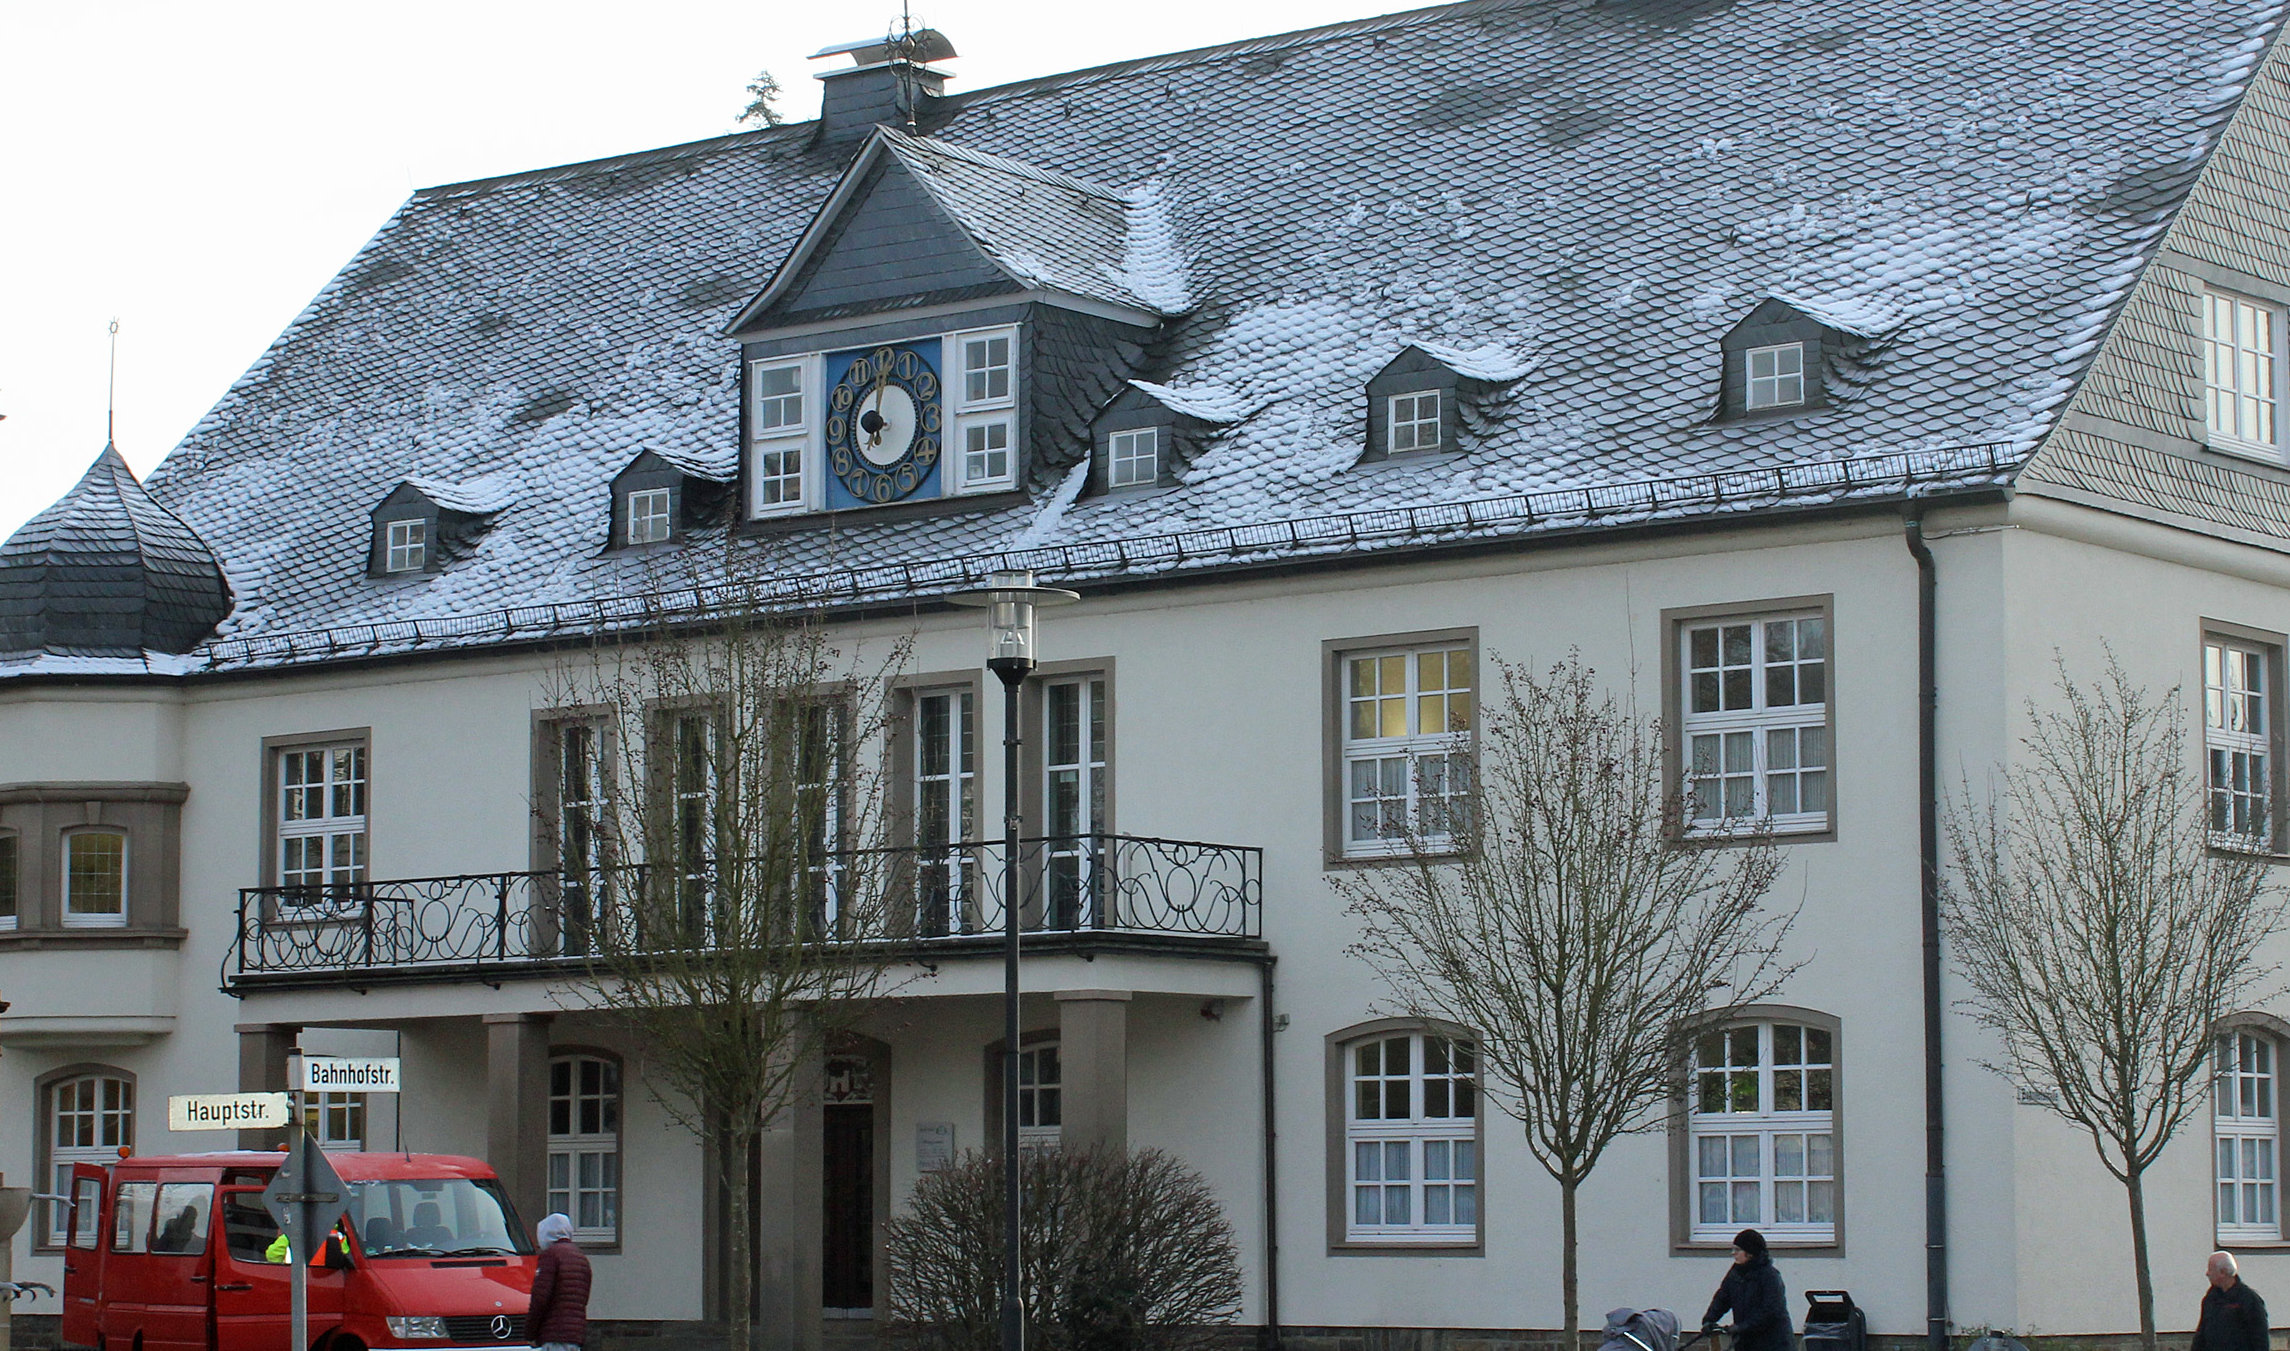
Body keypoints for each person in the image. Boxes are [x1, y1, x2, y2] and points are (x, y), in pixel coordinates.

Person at [1702, 1228, 1792, 1351]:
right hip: (1745, 1341)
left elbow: (1771, 1311)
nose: (1733, 1253)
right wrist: (1709, 1320)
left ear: (1750, 1253)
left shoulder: (1769, 1276)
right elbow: (1722, 1298)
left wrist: (1742, 1327)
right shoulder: (1735, 1274)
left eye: (1737, 1250)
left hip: (1773, 1343)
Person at [525, 1213, 592, 1351]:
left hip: (553, 1333)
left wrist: (530, 1331)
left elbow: (540, 1298)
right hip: (575, 1334)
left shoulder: (550, 1256)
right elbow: (583, 1298)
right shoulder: (581, 1258)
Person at [2192, 1251, 2270, 1351]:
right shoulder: (2210, 1298)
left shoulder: (2248, 1299)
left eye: (2210, 1269)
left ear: (2222, 1272)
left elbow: (2260, 1338)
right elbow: (2201, 1334)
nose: (2207, 1273)